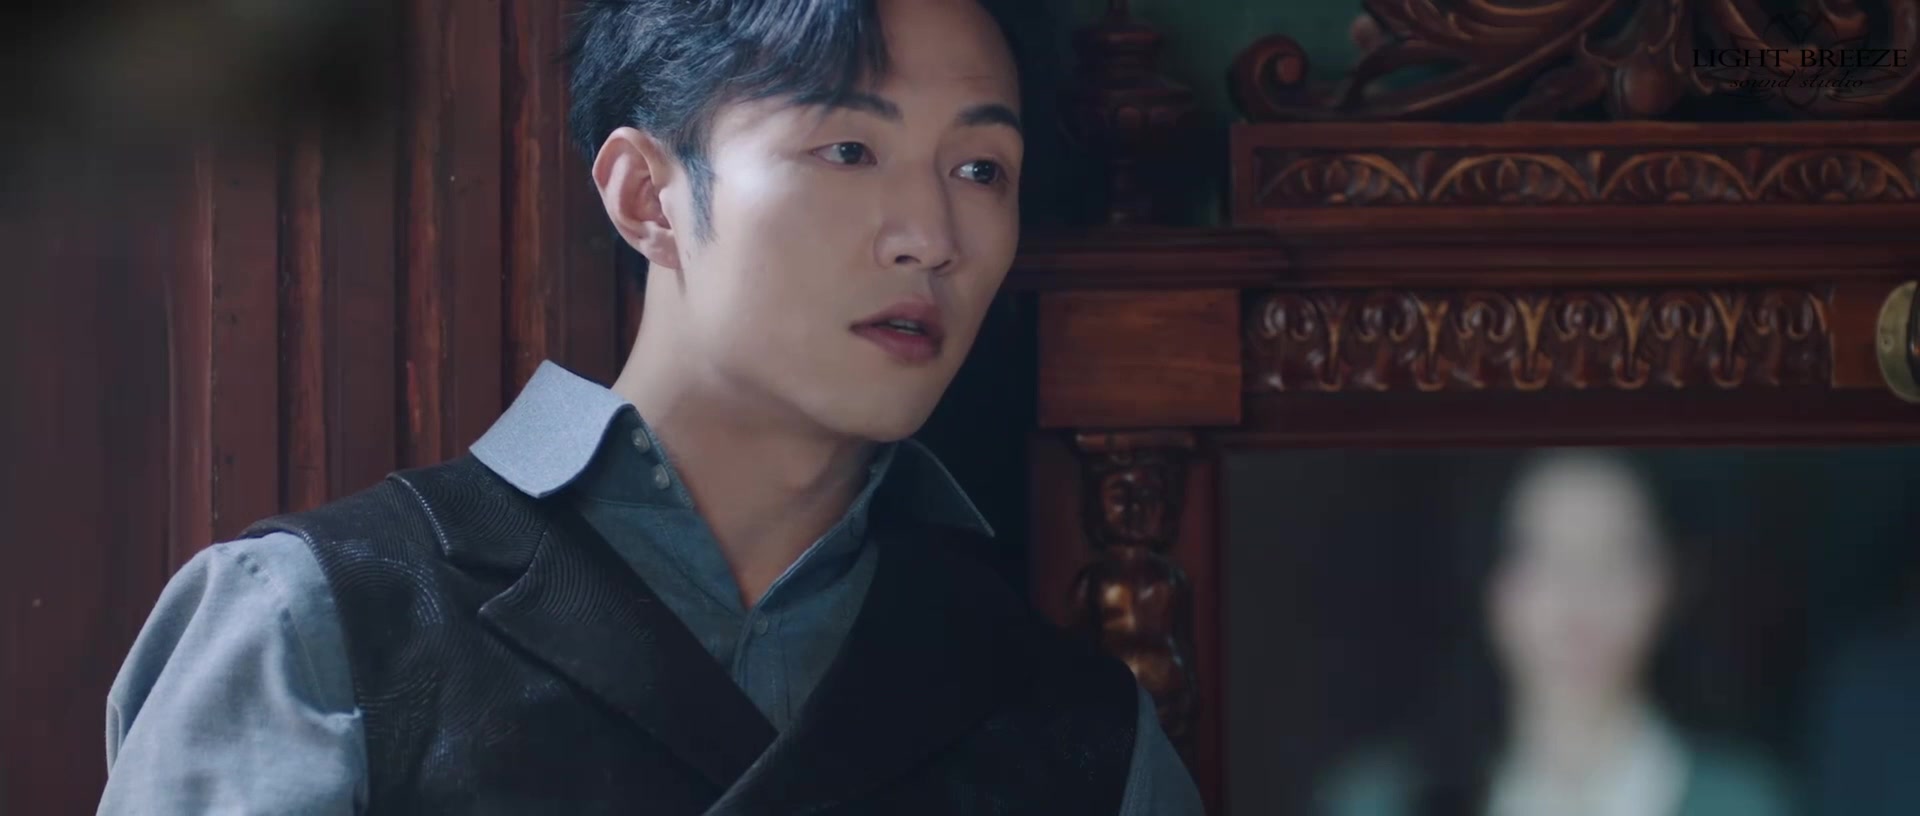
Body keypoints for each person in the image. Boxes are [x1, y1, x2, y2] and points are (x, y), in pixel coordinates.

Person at [96, 0, 1204, 812]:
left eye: (981, 170)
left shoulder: (1086, 736)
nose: (931, 237)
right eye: (850, 148)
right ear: (647, 196)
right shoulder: (317, 626)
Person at [1319, 450, 1791, 816]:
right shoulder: (1386, 800)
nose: (1578, 598)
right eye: (1542, 556)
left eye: (1618, 556)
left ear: (1671, 581)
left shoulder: (1744, 803)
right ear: (1491, 582)